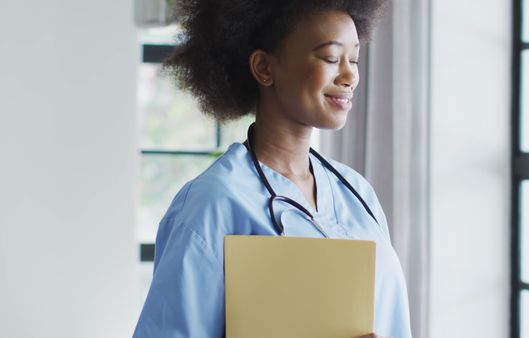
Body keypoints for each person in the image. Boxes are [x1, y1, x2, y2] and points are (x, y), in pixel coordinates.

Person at [133, 1, 412, 337]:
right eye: (330, 57)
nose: (350, 75)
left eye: (353, 59)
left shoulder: (357, 194)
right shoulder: (213, 204)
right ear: (264, 67)